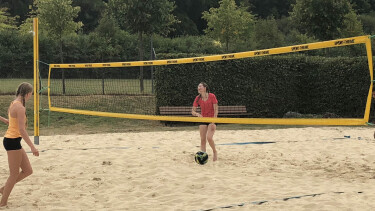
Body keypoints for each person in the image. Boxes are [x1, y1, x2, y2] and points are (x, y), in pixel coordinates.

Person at [1, 82, 39, 207]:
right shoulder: (20, 107)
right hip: (12, 141)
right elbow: (22, 130)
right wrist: (32, 147)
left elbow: (11, 122)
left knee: (28, 170)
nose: (30, 97)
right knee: (14, 174)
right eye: (31, 95)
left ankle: (4, 189)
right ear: (27, 94)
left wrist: (1, 118)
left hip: (13, 140)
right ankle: (3, 202)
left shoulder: (14, 103)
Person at [192, 82, 218, 161]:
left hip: (211, 119)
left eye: (200, 86)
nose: (198, 88)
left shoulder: (212, 96)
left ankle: (214, 151)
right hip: (203, 119)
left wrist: (214, 121)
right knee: (203, 139)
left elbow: (216, 109)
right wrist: (197, 114)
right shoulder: (198, 98)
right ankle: (203, 157)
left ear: (205, 88)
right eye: (198, 87)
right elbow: (193, 111)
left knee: (209, 138)